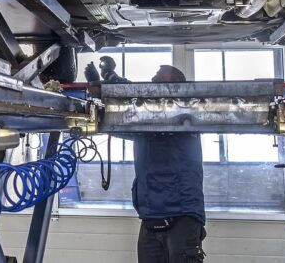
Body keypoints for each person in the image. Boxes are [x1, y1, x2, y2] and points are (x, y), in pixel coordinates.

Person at [85, 60, 206, 262]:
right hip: (151, 213)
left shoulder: (184, 115)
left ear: (175, 87)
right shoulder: (144, 125)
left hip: (182, 212)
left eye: (158, 79)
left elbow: (142, 99)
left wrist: (111, 79)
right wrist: (98, 91)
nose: (152, 81)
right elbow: (118, 121)